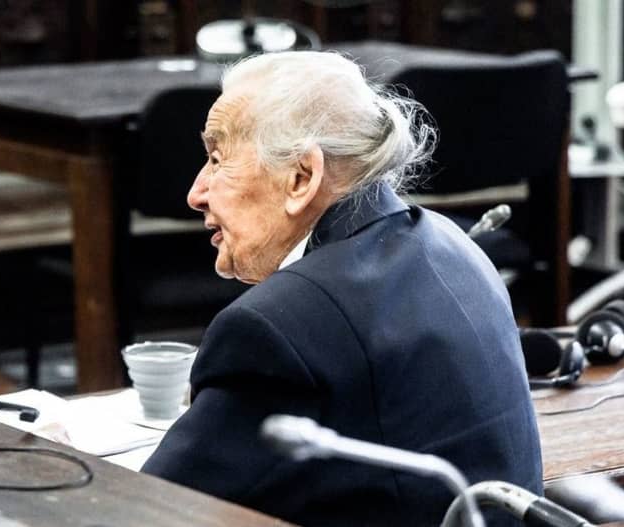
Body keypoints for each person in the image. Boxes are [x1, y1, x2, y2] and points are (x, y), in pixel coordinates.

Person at [141, 50, 542, 526]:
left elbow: (151, 509)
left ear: (302, 177)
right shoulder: (456, 246)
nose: (196, 192)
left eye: (216, 158)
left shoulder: (281, 329)